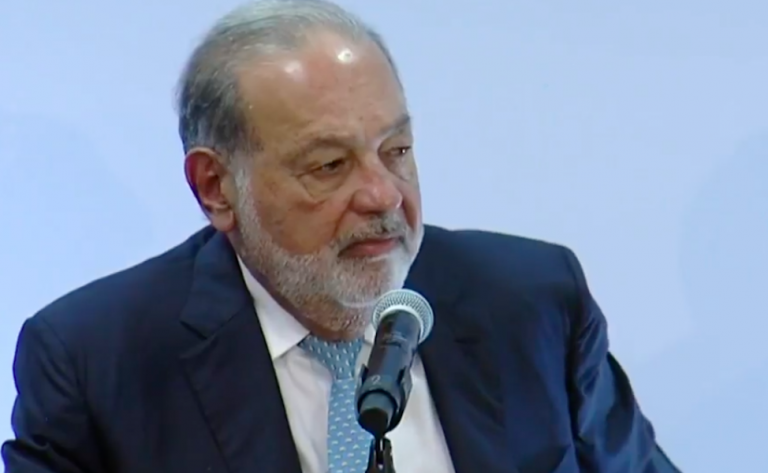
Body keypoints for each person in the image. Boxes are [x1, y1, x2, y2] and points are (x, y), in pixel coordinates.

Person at [2, 1, 681, 472]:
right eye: (329, 165)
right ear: (216, 188)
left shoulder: (532, 304)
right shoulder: (96, 362)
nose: (383, 195)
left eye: (397, 151)